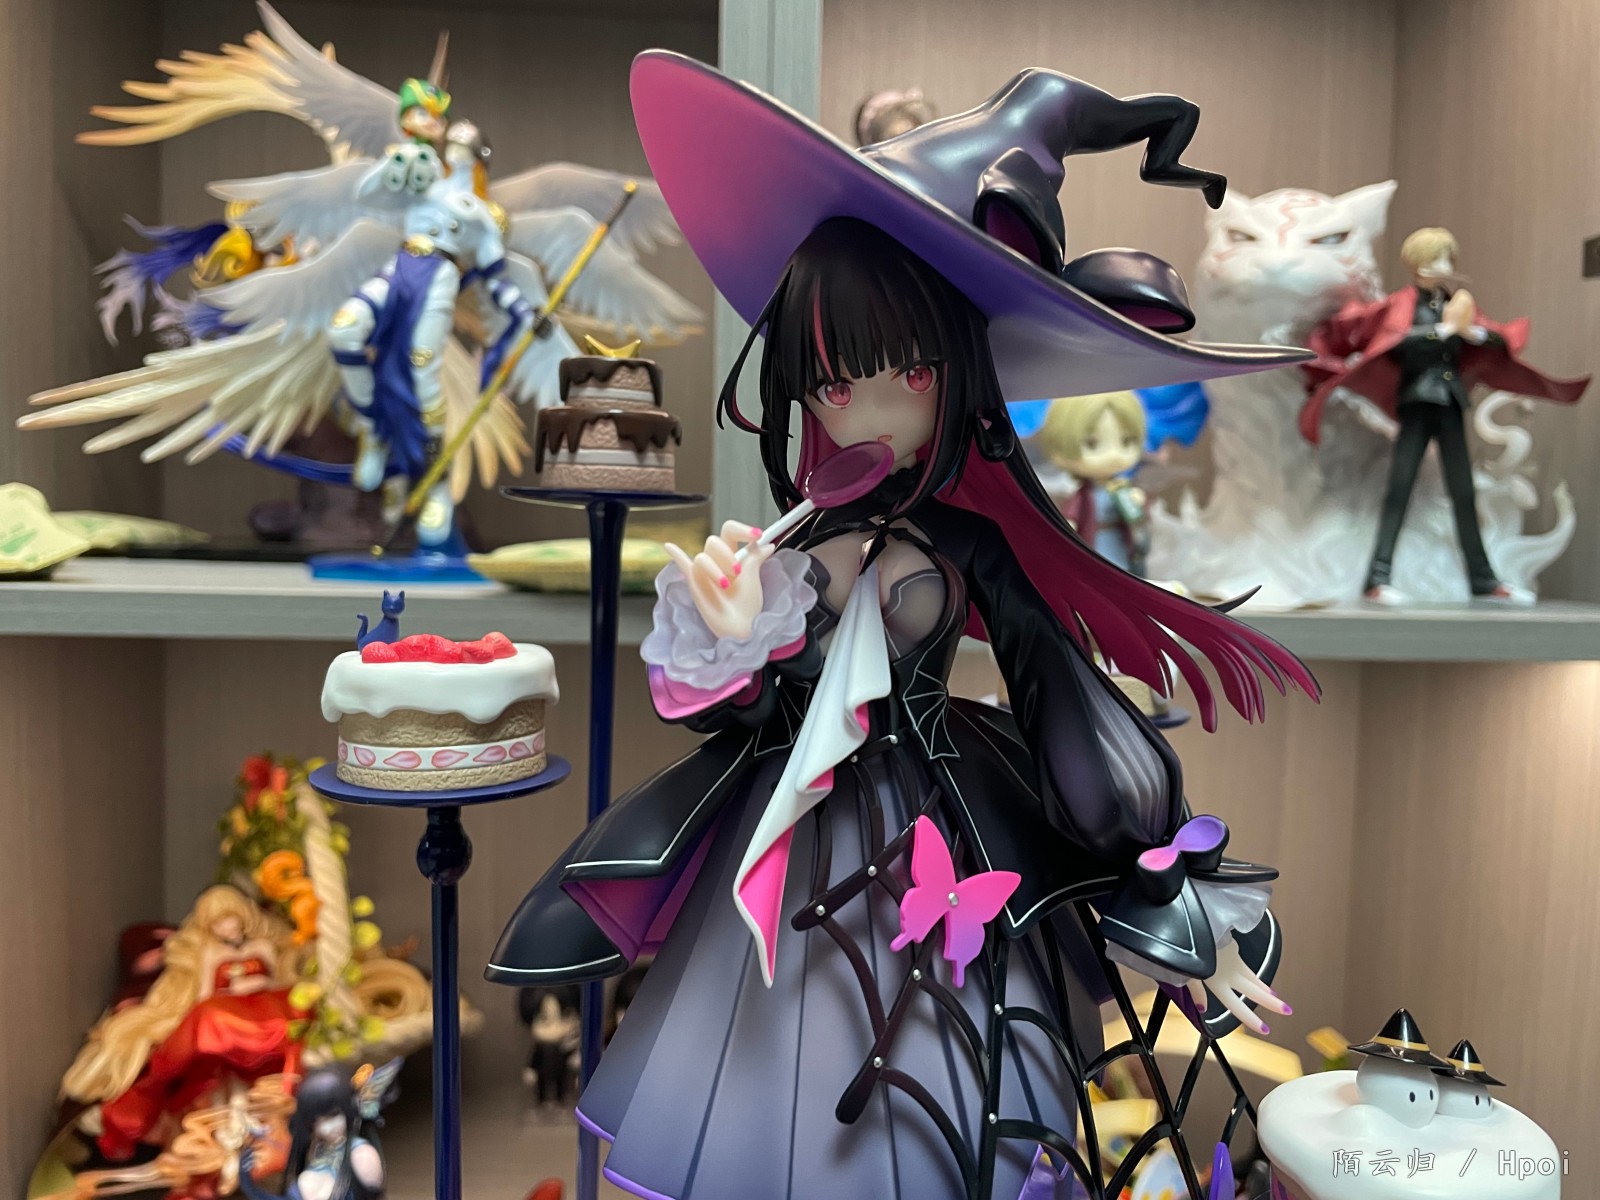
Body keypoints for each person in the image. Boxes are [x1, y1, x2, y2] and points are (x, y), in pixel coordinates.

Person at [490, 53, 1318, 1200]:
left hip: (938, 840)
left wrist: (1156, 863)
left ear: (954, 375)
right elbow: (746, 719)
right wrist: (736, 637)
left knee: (946, 1115)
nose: (858, 411)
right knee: (763, 1096)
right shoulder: (792, 544)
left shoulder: (966, 544)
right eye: (829, 382)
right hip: (791, 843)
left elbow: (1058, 693)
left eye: (901, 374)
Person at [1299, 227, 1588, 604]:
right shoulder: (1402, 304)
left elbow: (1495, 336)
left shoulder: (1453, 303)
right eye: (1436, 258)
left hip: (1450, 403)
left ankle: (1483, 580)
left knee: (1463, 492)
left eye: (1447, 259)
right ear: (1417, 263)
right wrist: (1441, 331)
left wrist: (1476, 335)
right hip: (1417, 402)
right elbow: (1394, 341)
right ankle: (1377, 578)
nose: (1444, 266)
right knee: (1400, 489)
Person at [62, 886, 298, 1160]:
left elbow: (276, 982)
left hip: (261, 1010)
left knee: (287, 1026)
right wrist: (230, 991)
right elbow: (204, 994)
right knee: (209, 1029)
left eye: (230, 918)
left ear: (242, 915)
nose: (227, 927)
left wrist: (255, 983)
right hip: (225, 1014)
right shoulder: (211, 952)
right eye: (218, 923)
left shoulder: (262, 946)